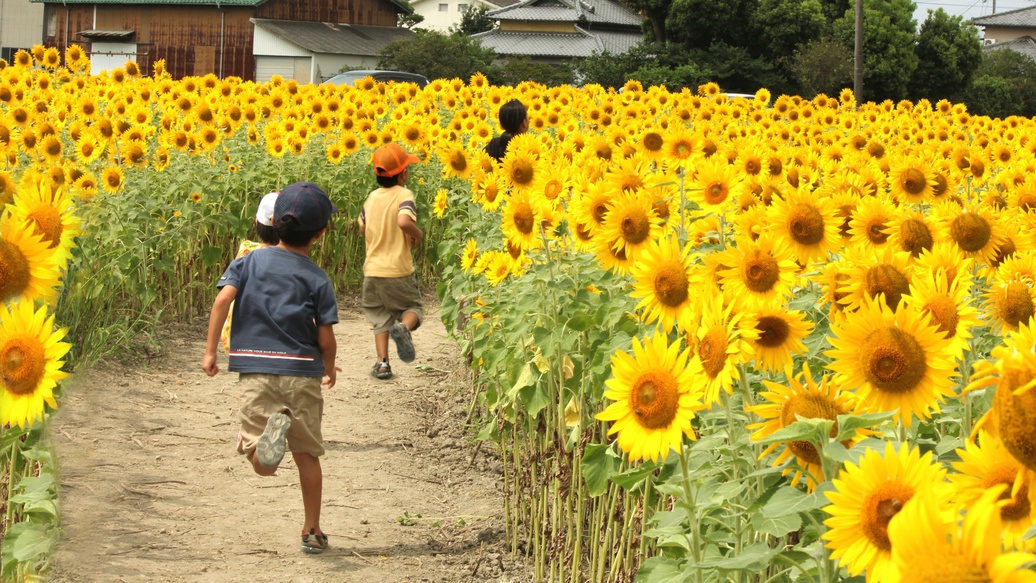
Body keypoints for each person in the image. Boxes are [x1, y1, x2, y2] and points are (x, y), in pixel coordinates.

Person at [201, 181, 339, 555]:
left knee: (262, 464)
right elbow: (325, 338)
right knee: (307, 455)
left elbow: (221, 302)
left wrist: (211, 351)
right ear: (321, 233)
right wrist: (329, 367)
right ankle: (312, 529)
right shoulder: (317, 278)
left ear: (272, 222)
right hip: (302, 371)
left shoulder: (246, 262)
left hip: (256, 371)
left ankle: (264, 450)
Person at [359, 142, 424, 380]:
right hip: (398, 270)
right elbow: (404, 221)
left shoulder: (371, 198)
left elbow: (363, 227)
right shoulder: (404, 195)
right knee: (413, 308)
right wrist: (417, 234)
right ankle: (404, 328)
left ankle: (382, 363)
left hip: (373, 270)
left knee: (379, 316)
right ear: (403, 173)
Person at [220, 191, 280, 353]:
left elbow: (223, 299)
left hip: (242, 338)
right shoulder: (294, 261)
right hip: (279, 343)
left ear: (256, 222)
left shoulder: (246, 253)